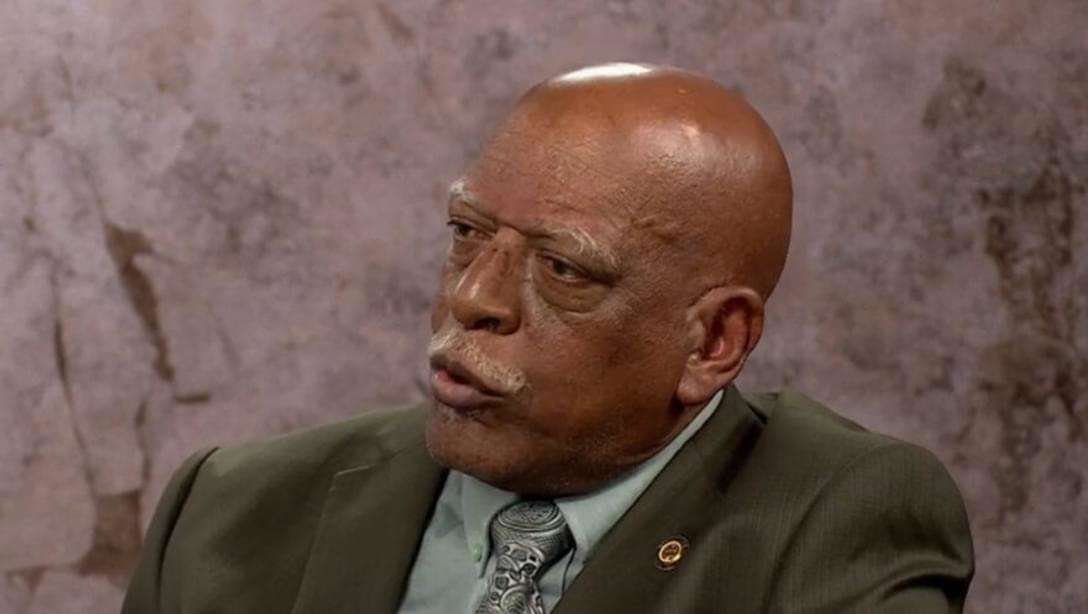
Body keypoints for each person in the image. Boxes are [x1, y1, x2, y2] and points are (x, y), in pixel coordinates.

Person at [122, 63, 974, 614]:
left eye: (564, 270)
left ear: (713, 342)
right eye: (466, 234)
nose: (471, 298)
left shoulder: (837, 523)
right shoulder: (228, 508)